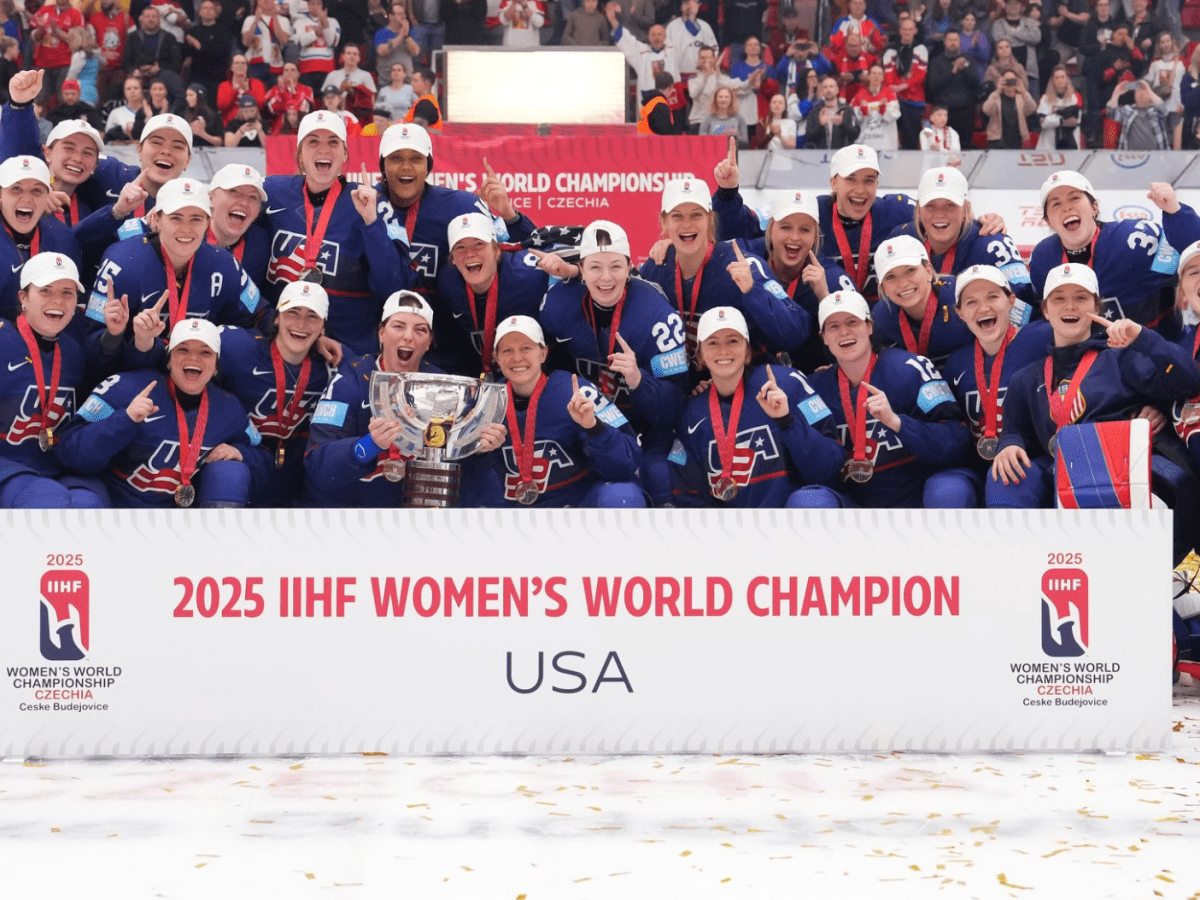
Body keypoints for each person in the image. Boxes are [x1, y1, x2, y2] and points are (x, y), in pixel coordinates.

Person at [988, 262, 1200, 565]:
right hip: (1065, 476)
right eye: (1058, 298)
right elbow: (1014, 430)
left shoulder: (1121, 356)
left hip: (1130, 472)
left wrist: (1144, 338)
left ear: (1096, 306)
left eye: (1081, 297)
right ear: (1045, 311)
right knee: (1007, 476)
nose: (1070, 305)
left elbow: (1187, 380)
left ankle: (1171, 580)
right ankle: (1012, 571)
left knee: (1175, 485)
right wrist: (1010, 444)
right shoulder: (1027, 378)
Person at [303, 291, 504, 506]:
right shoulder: (349, 381)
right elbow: (318, 466)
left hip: (414, 518)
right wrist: (371, 445)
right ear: (381, 334)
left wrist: (477, 448)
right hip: (349, 517)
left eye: (420, 330)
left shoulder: (445, 390)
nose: (408, 336)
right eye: (398, 326)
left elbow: (465, 482)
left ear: (428, 342)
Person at [538, 220, 688, 505]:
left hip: (645, 424)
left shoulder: (658, 317)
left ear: (631, 267)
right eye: (595, 267)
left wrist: (639, 381)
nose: (606, 278)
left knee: (658, 474)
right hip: (588, 421)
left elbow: (674, 405)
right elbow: (543, 369)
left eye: (615, 266)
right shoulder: (557, 305)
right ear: (581, 269)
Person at [369, 122, 534, 369]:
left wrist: (510, 215)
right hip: (384, 346)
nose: (406, 166)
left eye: (416, 158)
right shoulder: (366, 204)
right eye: (396, 158)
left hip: (450, 350)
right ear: (382, 165)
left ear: (429, 166)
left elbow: (525, 248)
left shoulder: (460, 206)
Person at [57, 318, 267, 508]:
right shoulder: (125, 387)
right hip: (114, 506)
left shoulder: (229, 408)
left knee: (230, 474)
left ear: (216, 366)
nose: (194, 358)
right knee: (82, 501)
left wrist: (243, 454)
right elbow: (70, 450)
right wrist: (124, 420)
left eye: (205, 352)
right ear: (168, 359)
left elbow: (264, 456)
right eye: (183, 350)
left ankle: (214, 547)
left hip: (174, 517)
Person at [798, 290, 976, 508]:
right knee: (809, 500)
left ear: (870, 326)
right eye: (833, 326)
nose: (844, 332)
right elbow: (810, 467)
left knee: (949, 490)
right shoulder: (813, 390)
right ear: (823, 337)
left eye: (852, 322)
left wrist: (898, 423)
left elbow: (957, 439)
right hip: (854, 504)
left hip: (920, 495)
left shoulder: (909, 370)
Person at [262, 110, 411, 355]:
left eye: (333, 142)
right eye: (313, 141)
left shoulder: (372, 201)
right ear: (300, 155)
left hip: (348, 351)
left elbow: (393, 287)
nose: (324, 149)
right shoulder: (272, 192)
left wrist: (371, 223)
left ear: (344, 155)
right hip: (282, 345)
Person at [85, 177, 267, 371]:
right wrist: (113, 336)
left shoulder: (224, 264)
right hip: (134, 376)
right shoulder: (121, 263)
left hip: (195, 376)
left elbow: (259, 315)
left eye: (196, 219)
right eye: (176, 218)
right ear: (156, 219)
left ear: (208, 222)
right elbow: (93, 358)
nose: (186, 229)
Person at [670, 306, 845, 508]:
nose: (723, 350)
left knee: (811, 503)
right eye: (713, 343)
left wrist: (787, 421)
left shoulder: (788, 383)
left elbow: (830, 465)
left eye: (733, 341)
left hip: (794, 520)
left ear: (747, 351)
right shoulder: (692, 414)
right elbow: (689, 495)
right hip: (737, 531)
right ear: (699, 356)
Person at [479, 315, 645, 507]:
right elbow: (467, 478)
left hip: (574, 508)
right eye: (507, 350)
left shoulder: (578, 392)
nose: (517, 358)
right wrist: (479, 452)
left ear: (543, 353)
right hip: (513, 514)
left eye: (526, 348)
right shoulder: (485, 402)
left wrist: (593, 427)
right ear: (497, 358)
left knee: (622, 496)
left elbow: (627, 462)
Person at [640, 177, 807, 360]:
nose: (687, 224)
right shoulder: (654, 269)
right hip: (683, 382)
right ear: (664, 221)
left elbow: (796, 333)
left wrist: (753, 291)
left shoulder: (742, 265)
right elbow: (644, 350)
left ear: (710, 219)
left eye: (696, 215)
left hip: (742, 379)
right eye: (677, 216)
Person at [0, 253, 107, 509]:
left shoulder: (73, 352)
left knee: (88, 505)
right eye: (46, 290)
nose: (58, 300)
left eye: (67, 292)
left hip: (57, 466)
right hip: (7, 465)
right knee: (47, 500)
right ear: (23, 298)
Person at [218, 281, 339, 506]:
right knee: (226, 473)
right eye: (292, 312)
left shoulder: (333, 365)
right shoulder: (236, 348)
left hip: (293, 475)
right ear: (276, 318)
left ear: (323, 327)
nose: (301, 323)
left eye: (312, 316)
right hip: (241, 459)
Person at [1030, 172, 1191, 332]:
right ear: (1049, 221)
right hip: (1086, 353)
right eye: (1056, 204)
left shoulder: (1135, 240)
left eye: (1074, 198)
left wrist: (1176, 213)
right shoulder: (1043, 259)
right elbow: (1031, 312)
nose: (1067, 207)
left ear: (1094, 207)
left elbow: (1192, 256)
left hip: (1151, 350)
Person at [941, 263, 1053, 471]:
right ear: (960, 312)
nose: (983, 308)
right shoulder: (956, 363)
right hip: (980, 466)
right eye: (971, 302)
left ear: (1011, 300)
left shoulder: (1043, 337)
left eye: (992, 297)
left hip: (1032, 461)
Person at [887, 166, 1034, 312]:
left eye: (950, 205)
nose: (939, 214)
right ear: (918, 210)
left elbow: (1027, 308)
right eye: (930, 205)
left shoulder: (993, 244)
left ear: (966, 210)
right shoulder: (901, 239)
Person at [435, 212, 556, 376]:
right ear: (453, 258)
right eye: (460, 247)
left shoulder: (527, 274)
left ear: (497, 251)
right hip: (488, 375)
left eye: (479, 244)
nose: (470, 253)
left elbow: (578, 252)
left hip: (543, 374)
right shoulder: (448, 282)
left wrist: (572, 269)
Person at [0, 155, 82, 324]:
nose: (27, 198)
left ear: (48, 196)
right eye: (16, 189)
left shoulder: (63, 239)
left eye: (36, 190)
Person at [871, 236, 972, 367]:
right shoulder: (881, 317)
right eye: (891, 277)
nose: (903, 284)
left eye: (910, 270)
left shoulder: (961, 294)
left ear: (928, 271)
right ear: (883, 287)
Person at [207, 164, 271, 289]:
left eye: (253, 197)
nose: (244, 202)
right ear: (211, 198)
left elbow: (250, 301)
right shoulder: (189, 237)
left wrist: (261, 309)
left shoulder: (258, 244)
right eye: (233, 191)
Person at [606, 4, 680, 102]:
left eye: (659, 34)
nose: (656, 37)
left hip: (670, 101)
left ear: (665, 37)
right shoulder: (642, 53)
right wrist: (613, 21)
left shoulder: (673, 51)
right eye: (653, 34)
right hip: (648, 101)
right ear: (648, 37)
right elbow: (626, 40)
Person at [926, 29, 982, 143]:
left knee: (965, 145)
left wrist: (964, 70)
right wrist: (953, 71)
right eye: (950, 40)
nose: (953, 42)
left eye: (956, 40)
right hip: (944, 111)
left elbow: (976, 83)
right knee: (944, 144)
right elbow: (934, 85)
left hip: (965, 110)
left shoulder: (968, 60)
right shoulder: (936, 61)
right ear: (944, 42)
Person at [883, 15, 928, 149]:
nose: (907, 32)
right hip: (894, 98)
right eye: (905, 29)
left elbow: (920, 75)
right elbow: (888, 75)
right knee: (892, 138)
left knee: (911, 139)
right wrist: (894, 89)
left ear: (915, 31)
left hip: (914, 99)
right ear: (900, 30)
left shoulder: (921, 49)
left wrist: (902, 86)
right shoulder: (890, 50)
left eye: (910, 29)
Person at [31, 0, 85, 104]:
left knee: (64, 99)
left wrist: (58, 31)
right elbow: (34, 37)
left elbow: (78, 40)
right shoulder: (44, 10)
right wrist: (41, 29)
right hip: (43, 63)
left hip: (65, 64)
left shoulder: (76, 14)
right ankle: (39, 120)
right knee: (40, 99)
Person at [121, 6, 183, 87]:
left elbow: (177, 63)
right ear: (141, 19)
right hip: (138, 79)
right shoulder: (133, 37)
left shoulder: (169, 38)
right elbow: (126, 61)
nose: (151, 19)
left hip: (163, 81)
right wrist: (135, 70)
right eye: (147, 17)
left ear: (159, 19)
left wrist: (160, 68)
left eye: (154, 16)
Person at [185, 0, 233, 101]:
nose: (208, 11)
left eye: (211, 8)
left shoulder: (222, 31)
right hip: (196, 77)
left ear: (216, 12)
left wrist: (199, 46)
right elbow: (186, 54)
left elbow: (220, 54)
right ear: (199, 12)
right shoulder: (192, 31)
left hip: (217, 78)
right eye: (205, 8)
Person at [1107, 78, 1172, 150]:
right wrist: (1116, 93)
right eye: (1137, 90)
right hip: (1130, 157)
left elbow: (1164, 110)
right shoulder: (1127, 110)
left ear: (1150, 93)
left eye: (1144, 90)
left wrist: (1149, 90)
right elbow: (1111, 113)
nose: (1141, 94)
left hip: (1157, 157)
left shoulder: (1156, 111)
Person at [990, 0, 1040, 92]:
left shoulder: (1030, 21)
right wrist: (1024, 37)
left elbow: (1036, 38)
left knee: (1032, 103)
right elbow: (998, 39)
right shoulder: (998, 24)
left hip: (1030, 71)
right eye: (1009, 3)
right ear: (1005, 5)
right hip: (1004, 74)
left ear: (1021, 6)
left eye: (1016, 3)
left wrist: (1012, 34)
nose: (1013, 6)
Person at [804, 73, 861, 150]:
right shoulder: (815, 112)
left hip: (842, 156)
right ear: (822, 91)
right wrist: (820, 125)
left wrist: (842, 124)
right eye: (825, 87)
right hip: (820, 158)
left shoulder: (847, 110)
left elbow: (855, 134)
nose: (828, 89)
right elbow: (809, 137)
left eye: (831, 86)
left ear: (837, 90)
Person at [983, 69, 1037, 148]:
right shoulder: (996, 97)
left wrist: (1023, 91)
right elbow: (986, 110)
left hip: (1017, 140)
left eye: (1012, 80)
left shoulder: (1021, 98)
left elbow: (1032, 108)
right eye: (1007, 80)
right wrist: (998, 90)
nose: (1010, 83)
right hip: (997, 141)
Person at [852, 63, 901, 151]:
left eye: (879, 74)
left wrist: (883, 110)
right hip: (865, 143)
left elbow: (895, 115)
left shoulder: (890, 94)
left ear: (883, 77)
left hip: (886, 143)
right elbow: (853, 120)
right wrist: (862, 112)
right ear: (868, 76)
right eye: (874, 73)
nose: (876, 76)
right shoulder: (859, 96)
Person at [241, 0, 290, 84]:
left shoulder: (283, 20)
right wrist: (255, 21)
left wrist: (274, 18)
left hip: (275, 65)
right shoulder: (250, 19)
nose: (266, 1)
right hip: (255, 65)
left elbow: (283, 40)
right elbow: (246, 42)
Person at [1037, 64, 1084, 149]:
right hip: (1047, 146)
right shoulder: (1045, 99)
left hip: (1071, 145)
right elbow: (1042, 120)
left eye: (1062, 77)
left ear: (1067, 79)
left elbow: (1075, 120)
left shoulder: (1075, 97)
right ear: (1052, 80)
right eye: (1057, 77)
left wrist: (1052, 116)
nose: (1060, 80)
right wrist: (1061, 121)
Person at [374, 2, 421, 86]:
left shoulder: (410, 33)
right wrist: (400, 36)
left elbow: (415, 52)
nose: (403, 16)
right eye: (399, 14)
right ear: (391, 16)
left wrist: (406, 36)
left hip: (407, 80)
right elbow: (382, 51)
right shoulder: (381, 33)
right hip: (387, 80)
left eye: (404, 14)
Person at [665, 0, 715, 78]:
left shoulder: (705, 27)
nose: (690, 6)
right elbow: (666, 54)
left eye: (693, 3)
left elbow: (714, 50)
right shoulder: (671, 27)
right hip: (677, 76)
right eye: (686, 3)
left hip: (700, 76)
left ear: (698, 6)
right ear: (681, 7)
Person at [216, 54, 266, 126]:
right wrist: (235, 92)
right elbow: (221, 107)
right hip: (230, 124)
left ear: (247, 67)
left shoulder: (257, 83)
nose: (240, 65)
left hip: (253, 123)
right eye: (236, 63)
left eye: (243, 63)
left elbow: (261, 104)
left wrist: (247, 90)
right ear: (231, 67)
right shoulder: (224, 85)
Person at [183, 83, 225, 148]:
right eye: (187, 95)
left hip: (210, 152)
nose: (187, 98)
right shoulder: (183, 115)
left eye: (191, 95)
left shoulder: (214, 116)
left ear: (200, 96)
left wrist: (202, 134)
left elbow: (220, 142)